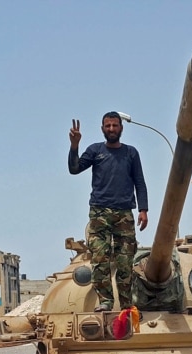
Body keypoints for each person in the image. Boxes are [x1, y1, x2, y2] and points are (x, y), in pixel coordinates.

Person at [68, 112, 149, 312]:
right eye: (107, 126)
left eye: (114, 125)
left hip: (124, 213)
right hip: (99, 212)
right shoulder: (95, 150)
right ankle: (105, 301)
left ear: (121, 128)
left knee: (124, 262)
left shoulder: (131, 153)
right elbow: (74, 168)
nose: (111, 129)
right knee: (100, 261)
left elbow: (140, 182)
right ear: (102, 128)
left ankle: (126, 303)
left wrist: (143, 209)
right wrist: (74, 146)